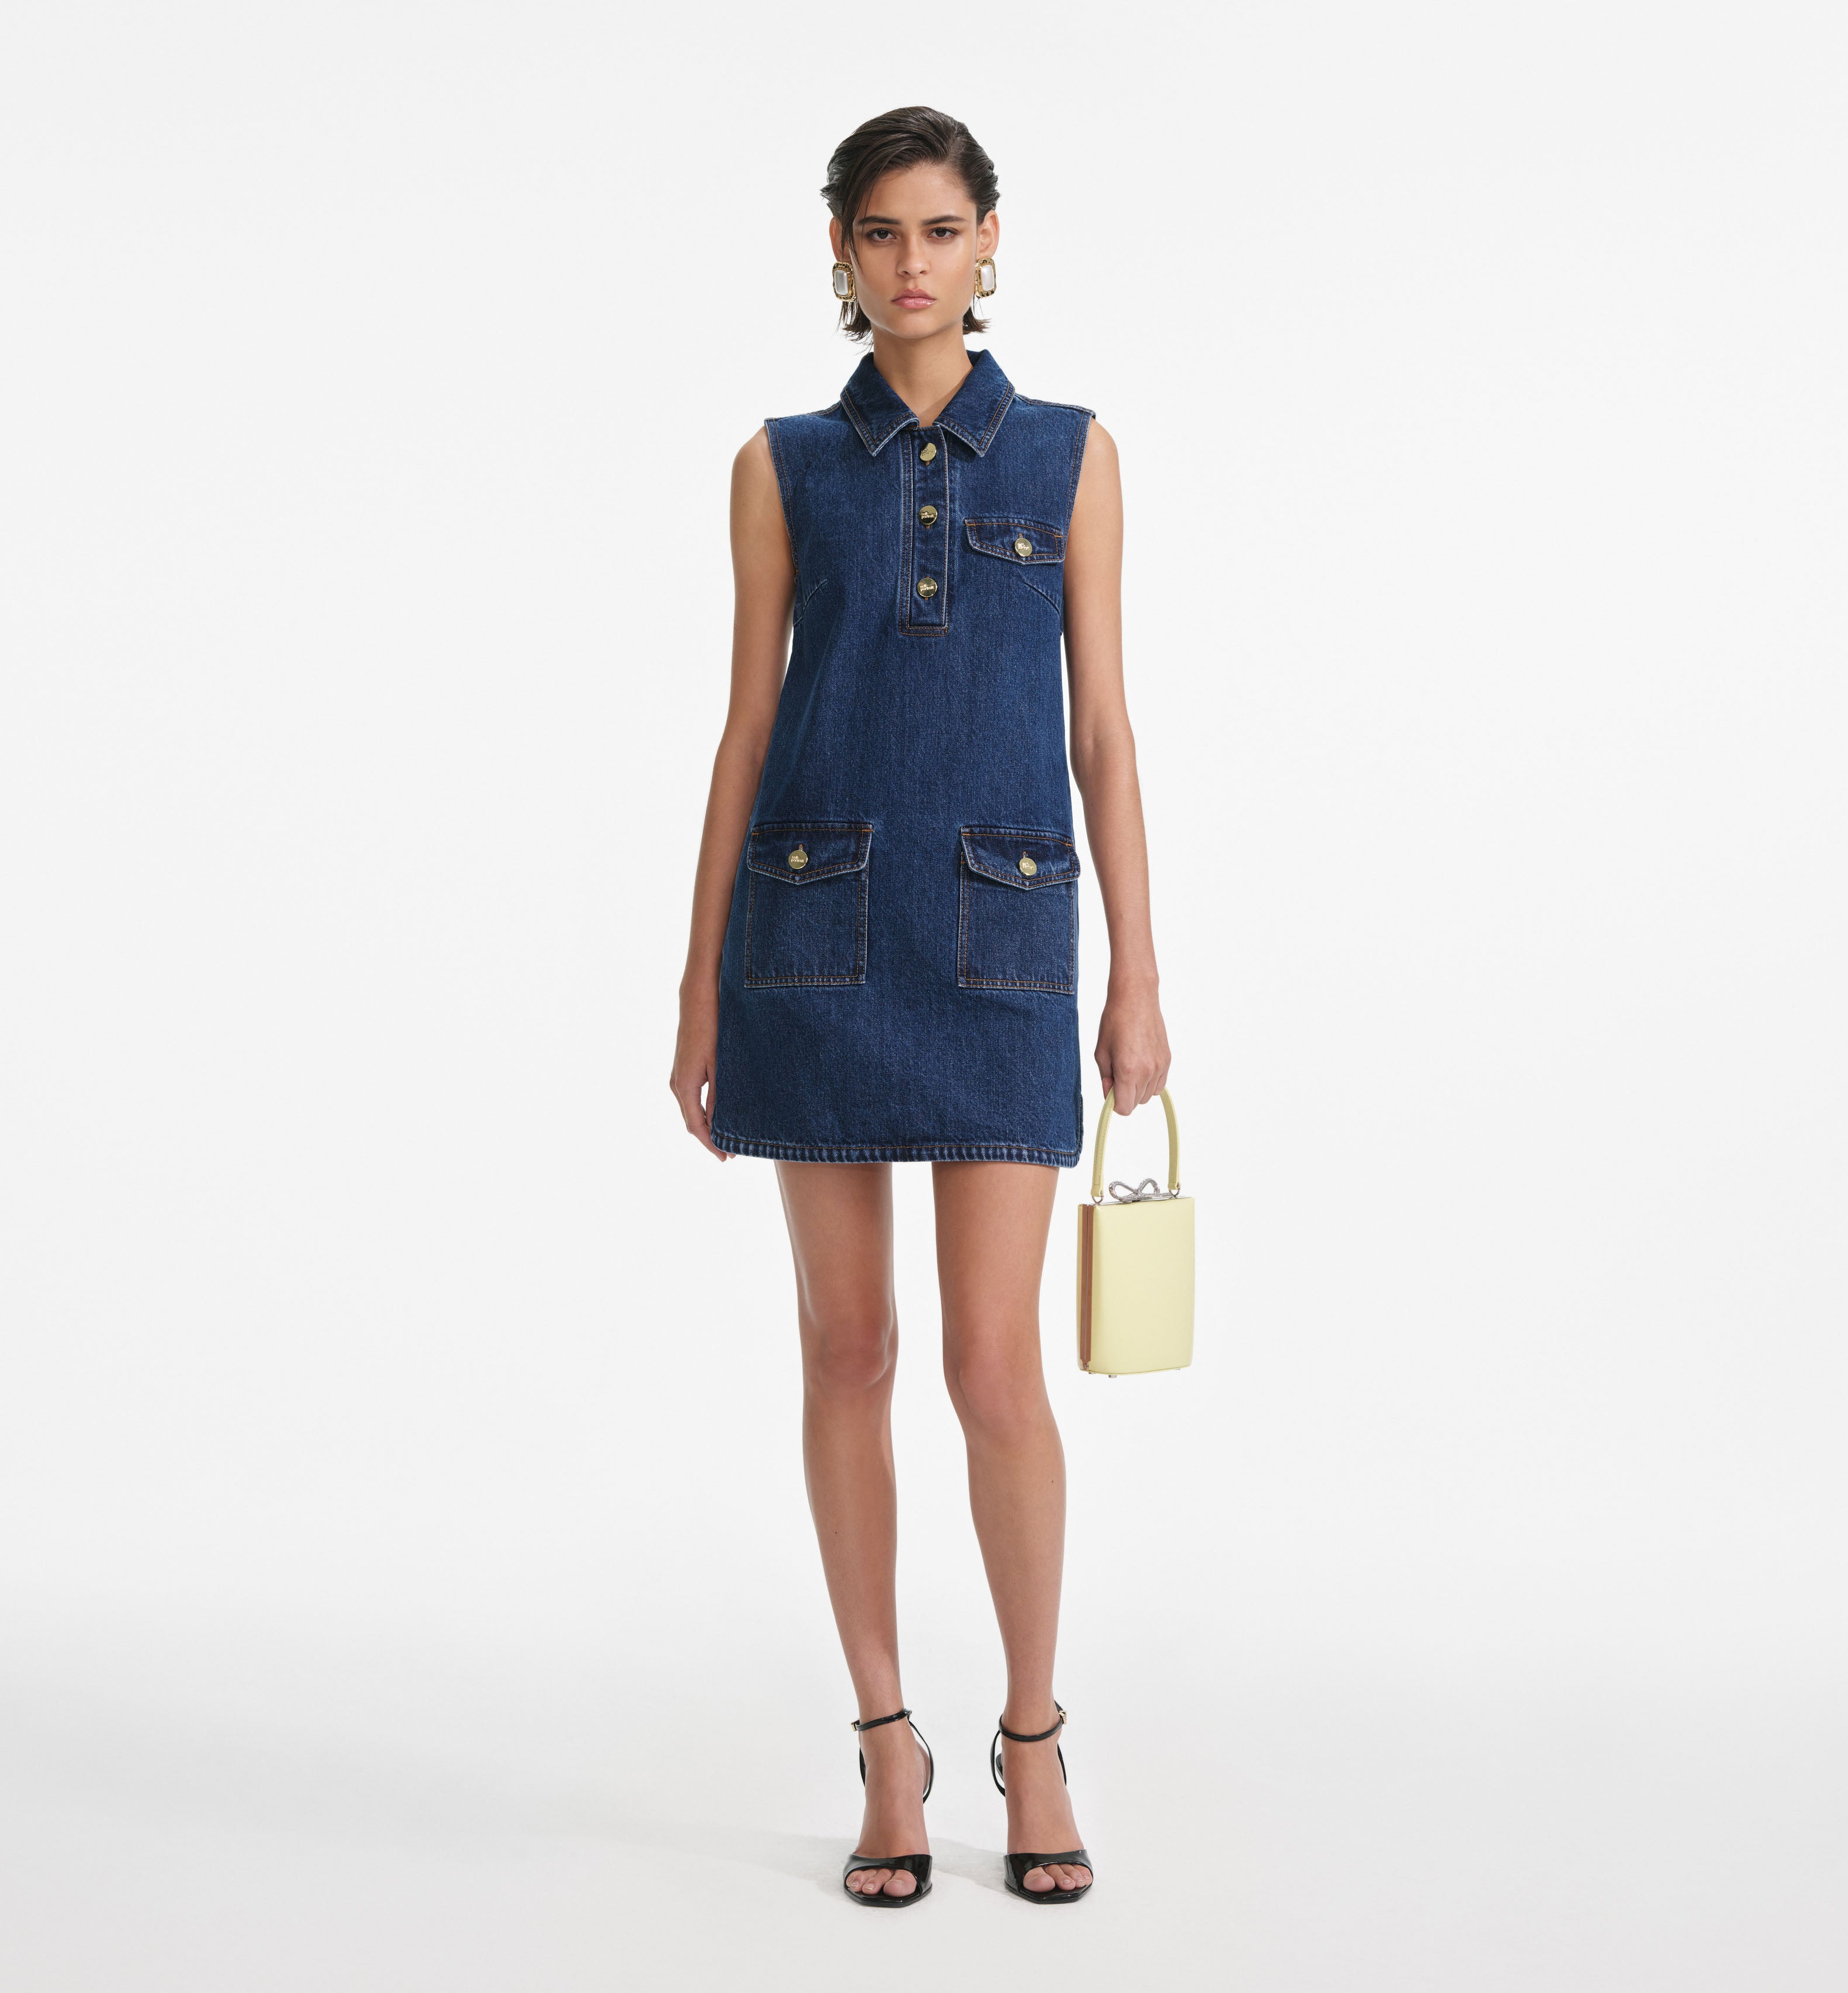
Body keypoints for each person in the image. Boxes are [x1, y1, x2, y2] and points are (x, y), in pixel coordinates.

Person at [669, 105, 1170, 1908]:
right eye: (880, 233)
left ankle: (1032, 1736)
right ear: (840, 249)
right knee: (848, 1353)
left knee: (993, 1368)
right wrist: (699, 983)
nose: (912, 264)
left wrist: (1141, 975)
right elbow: (746, 726)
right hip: (811, 938)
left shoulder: (1071, 455)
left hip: (1007, 944)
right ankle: (889, 1741)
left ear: (989, 244)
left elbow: (1103, 728)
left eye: (941, 231)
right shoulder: (782, 463)